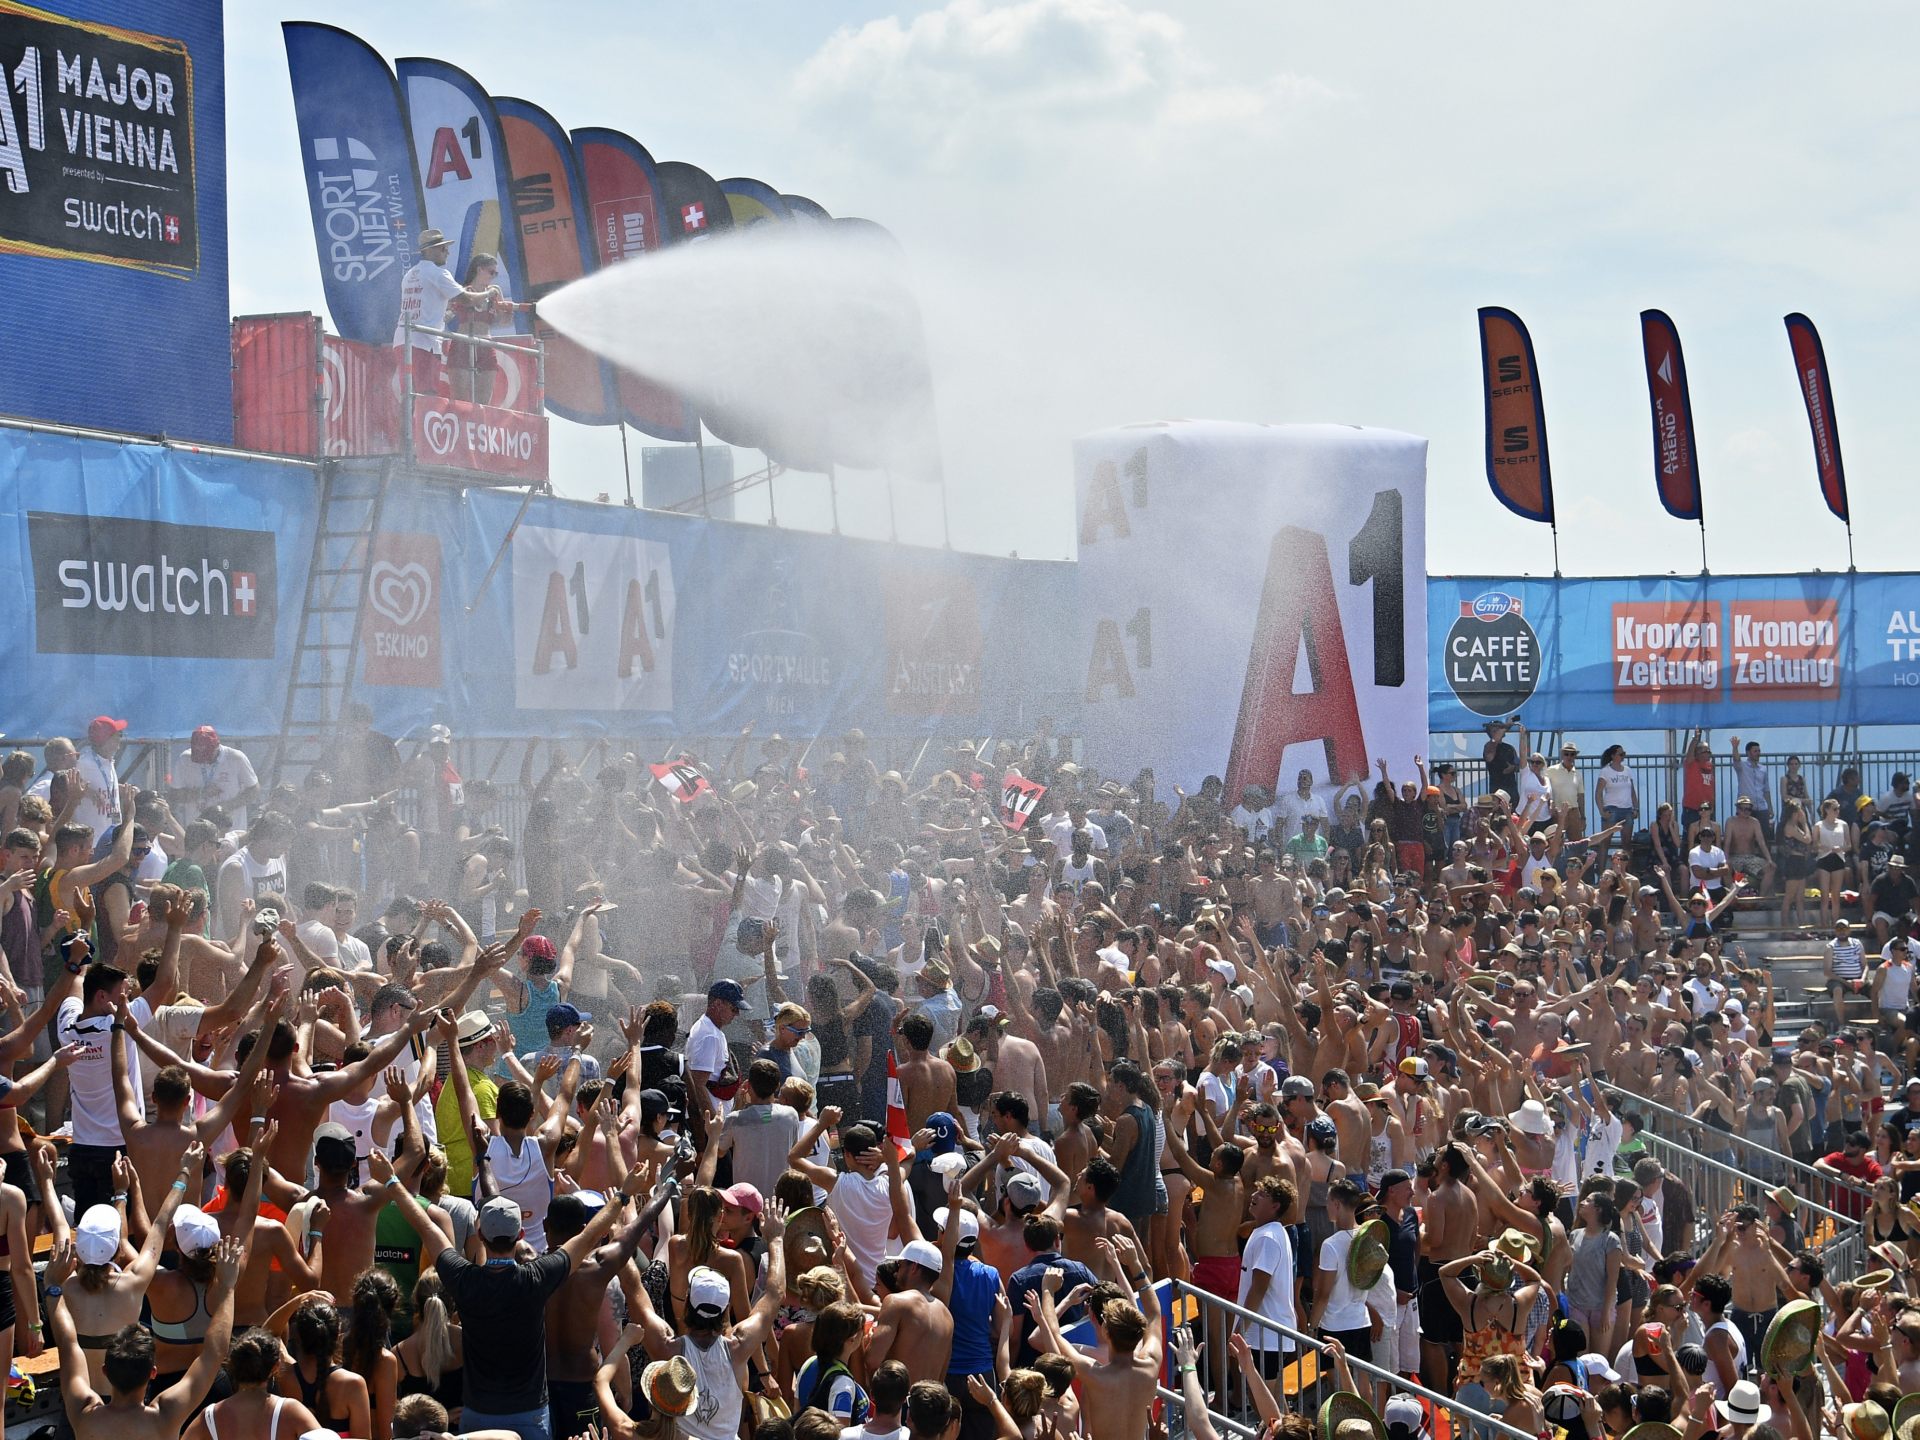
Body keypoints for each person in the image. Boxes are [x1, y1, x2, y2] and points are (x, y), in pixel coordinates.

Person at [378, 1142, 645, 1440]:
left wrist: (391, 1180)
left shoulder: (464, 1278)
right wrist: (623, 1194)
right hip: (530, 1417)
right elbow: (589, 1235)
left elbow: (427, 1228)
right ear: (520, 1235)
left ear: (480, 1234)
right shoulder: (537, 1277)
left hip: (477, 1416)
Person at [395, 229, 505, 399]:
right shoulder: (438, 273)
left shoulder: (410, 274)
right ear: (430, 251)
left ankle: (408, 426)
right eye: (443, 248)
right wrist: (488, 294)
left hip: (404, 339)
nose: (447, 252)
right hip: (424, 342)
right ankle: (419, 426)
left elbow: (433, 307)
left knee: (408, 395)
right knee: (427, 394)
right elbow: (466, 299)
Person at [171, 727, 261, 831]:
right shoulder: (185, 759)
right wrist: (200, 793)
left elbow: (254, 790)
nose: (204, 760)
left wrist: (226, 807)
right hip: (198, 832)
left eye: (207, 756)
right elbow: (174, 795)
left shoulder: (236, 758)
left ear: (217, 746)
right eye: (199, 757)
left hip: (231, 831)